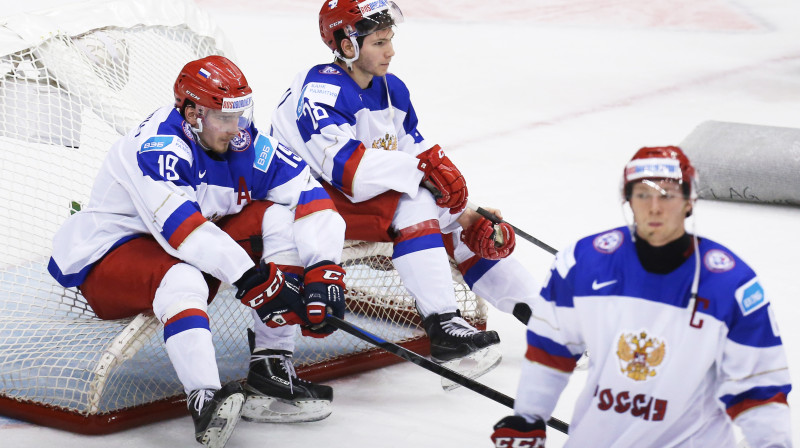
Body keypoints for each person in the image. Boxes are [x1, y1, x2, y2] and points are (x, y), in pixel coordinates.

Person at [48, 56, 347, 447]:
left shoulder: (243, 141)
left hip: (187, 243)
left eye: (240, 114)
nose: (236, 127)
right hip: (110, 257)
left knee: (278, 217)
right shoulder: (160, 147)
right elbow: (182, 231)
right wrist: (251, 277)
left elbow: (309, 195)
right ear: (191, 112)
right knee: (182, 277)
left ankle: (271, 364)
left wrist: (323, 270)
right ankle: (205, 398)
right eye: (224, 117)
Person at [269, 0, 541, 375]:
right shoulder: (321, 92)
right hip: (306, 203)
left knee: (463, 225)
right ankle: (443, 323)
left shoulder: (390, 89)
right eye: (379, 42)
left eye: (390, 39)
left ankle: (546, 318)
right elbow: (349, 171)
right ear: (348, 46)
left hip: (352, 200)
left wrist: (466, 210)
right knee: (419, 203)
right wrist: (429, 181)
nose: (391, 51)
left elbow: (412, 152)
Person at [491, 146, 793, 447]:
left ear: (689, 201)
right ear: (629, 200)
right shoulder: (583, 264)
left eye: (667, 194)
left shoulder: (732, 285)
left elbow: (759, 387)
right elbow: (550, 347)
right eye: (643, 195)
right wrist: (528, 417)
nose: (655, 207)